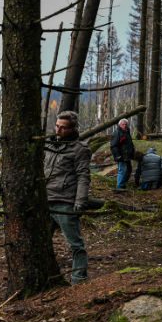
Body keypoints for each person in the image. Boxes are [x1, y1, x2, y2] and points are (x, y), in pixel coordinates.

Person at [44, 111, 91, 285]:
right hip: (46, 201)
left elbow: (83, 176)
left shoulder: (80, 149)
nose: (58, 130)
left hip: (65, 203)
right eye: (57, 126)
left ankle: (79, 280)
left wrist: (80, 201)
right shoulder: (49, 145)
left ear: (72, 129)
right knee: (40, 242)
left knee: (75, 245)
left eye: (63, 128)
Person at [110, 118, 135, 189]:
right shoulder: (117, 132)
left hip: (127, 156)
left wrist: (132, 152)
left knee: (129, 170)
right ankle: (119, 186)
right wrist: (117, 156)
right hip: (121, 156)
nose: (124, 125)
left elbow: (130, 144)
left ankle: (123, 184)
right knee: (122, 170)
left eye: (125, 124)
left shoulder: (127, 132)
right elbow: (113, 146)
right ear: (119, 125)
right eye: (123, 124)